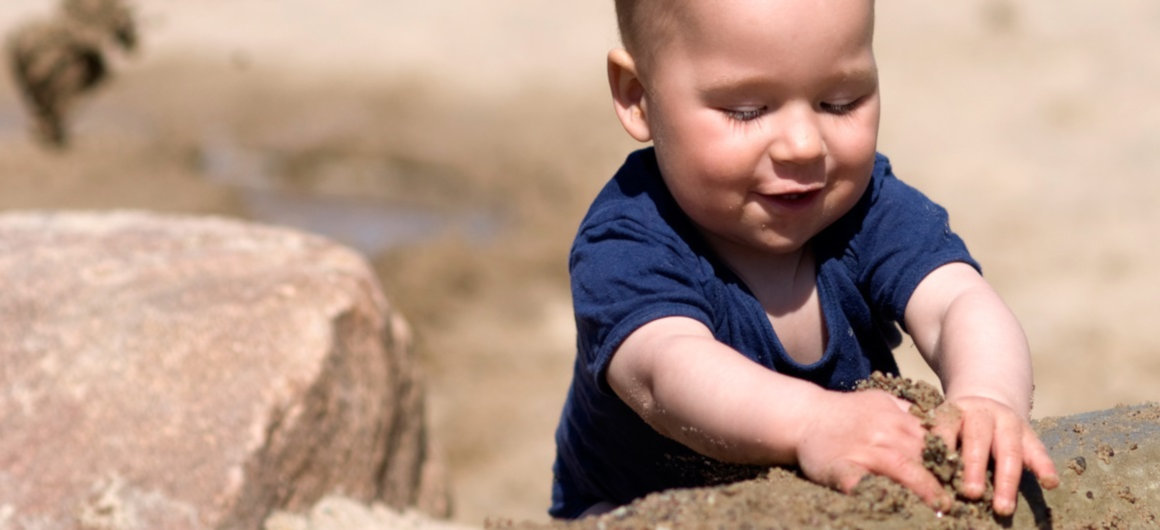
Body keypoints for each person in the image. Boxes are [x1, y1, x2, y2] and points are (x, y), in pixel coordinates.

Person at [550, 0, 1060, 520]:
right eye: (746, 111)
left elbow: (957, 300)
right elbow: (666, 372)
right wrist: (810, 422)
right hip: (632, 507)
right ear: (638, 96)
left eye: (840, 102)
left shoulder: (866, 211)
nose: (802, 145)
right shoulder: (627, 240)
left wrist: (987, 396)